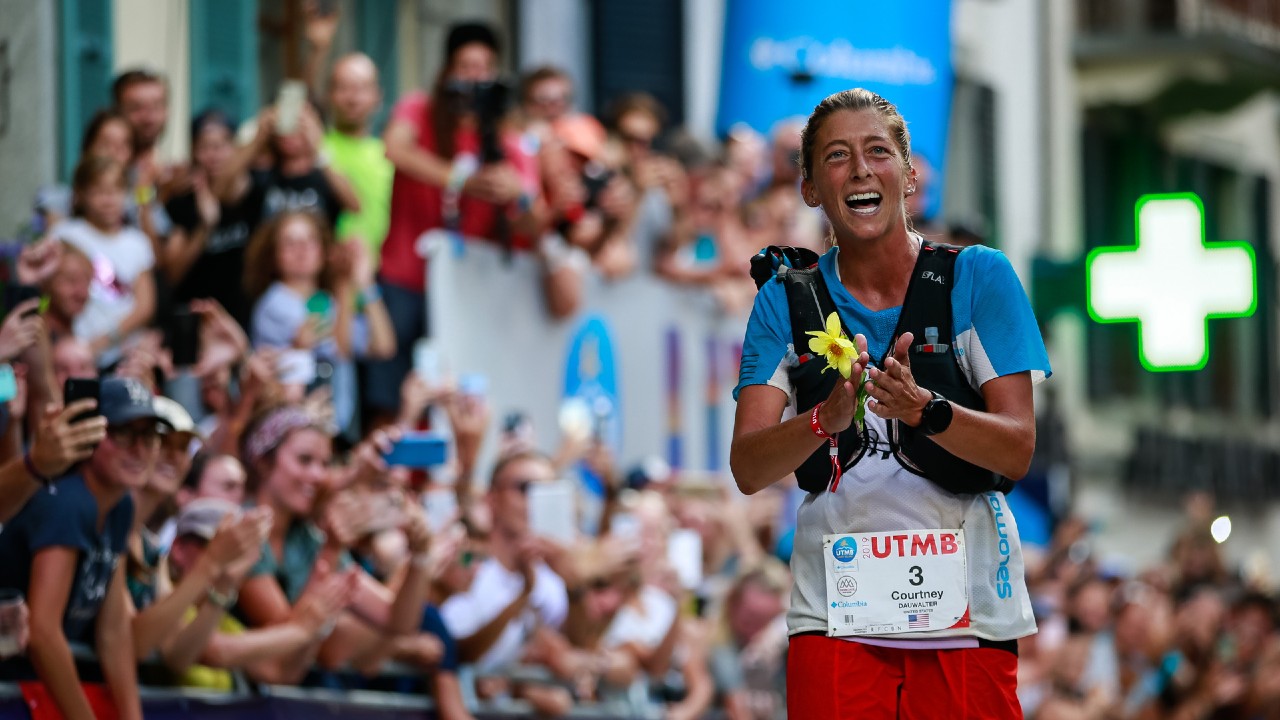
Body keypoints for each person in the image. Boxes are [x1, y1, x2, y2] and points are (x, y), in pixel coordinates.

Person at [729, 88, 1051, 718]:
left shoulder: (979, 277)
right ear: (810, 189)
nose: (859, 170)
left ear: (908, 175)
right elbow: (749, 467)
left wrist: (926, 411)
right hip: (834, 612)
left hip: (966, 612)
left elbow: (1017, 449)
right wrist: (824, 420)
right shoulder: (783, 301)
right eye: (836, 157)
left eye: (877, 152)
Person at [372, 20, 542, 422]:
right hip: (404, 280)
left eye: (484, 67)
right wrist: (462, 180)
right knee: (391, 398)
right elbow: (394, 147)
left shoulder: (508, 140)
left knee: (456, 401)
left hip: (466, 295)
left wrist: (514, 192)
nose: (475, 77)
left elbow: (533, 219)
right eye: (466, 66)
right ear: (447, 71)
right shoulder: (419, 109)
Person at [0, 377, 164, 720]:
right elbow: (43, 633)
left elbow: (113, 627)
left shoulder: (121, 506)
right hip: (15, 692)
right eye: (122, 433)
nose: (139, 448)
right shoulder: (69, 502)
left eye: (149, 434)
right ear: (87, 435)